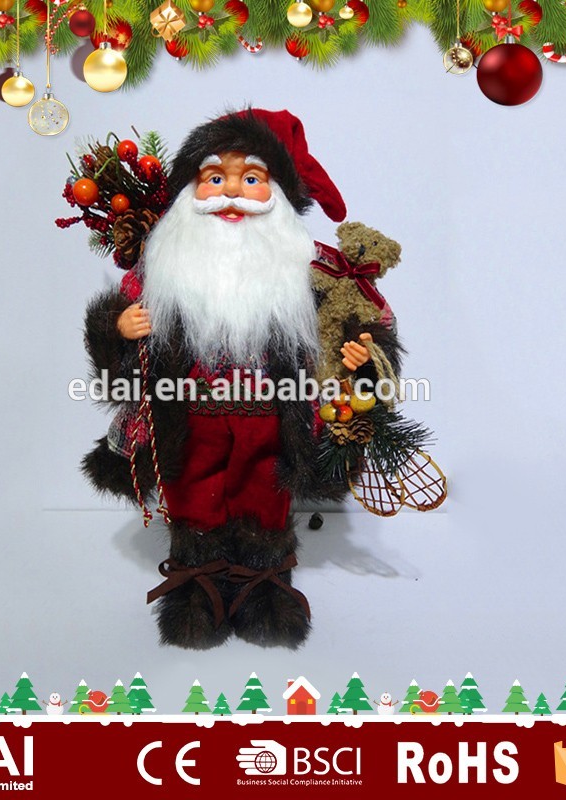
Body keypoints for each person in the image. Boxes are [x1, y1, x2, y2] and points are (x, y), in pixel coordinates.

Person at [82, 109, 400, 649]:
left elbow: (366, 321)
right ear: (191, 189)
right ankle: (197, 583)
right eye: (215, 177)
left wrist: (361, 356)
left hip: (272, 416)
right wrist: (118, 327)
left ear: (281, 194)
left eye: (251, 178)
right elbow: (122, 323)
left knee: (264, 495)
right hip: (188, 413)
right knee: (193, 494)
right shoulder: (165, 267)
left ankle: (263, 583)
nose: (230, 192)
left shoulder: (313, 268)